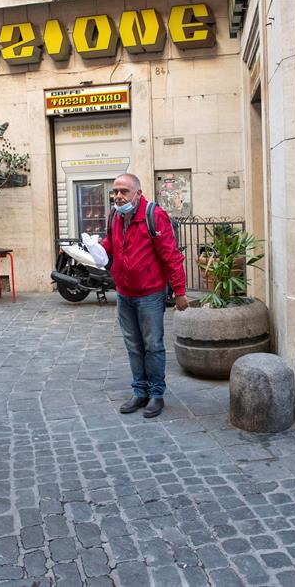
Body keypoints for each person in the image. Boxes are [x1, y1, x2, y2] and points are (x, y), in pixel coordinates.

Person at [100, 173, 188, 418]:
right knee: (133, 346)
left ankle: (156, 394)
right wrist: (98, 248)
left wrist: (180, 291)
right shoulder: (115, 215)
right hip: (124, 293)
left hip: (150, 294)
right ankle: (140, 391)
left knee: (153, 346)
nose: (118, 196)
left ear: (137, 193)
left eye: (124, 191)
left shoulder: (154, 216)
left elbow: (171, 256)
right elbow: (112, 243)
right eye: (115, 191)